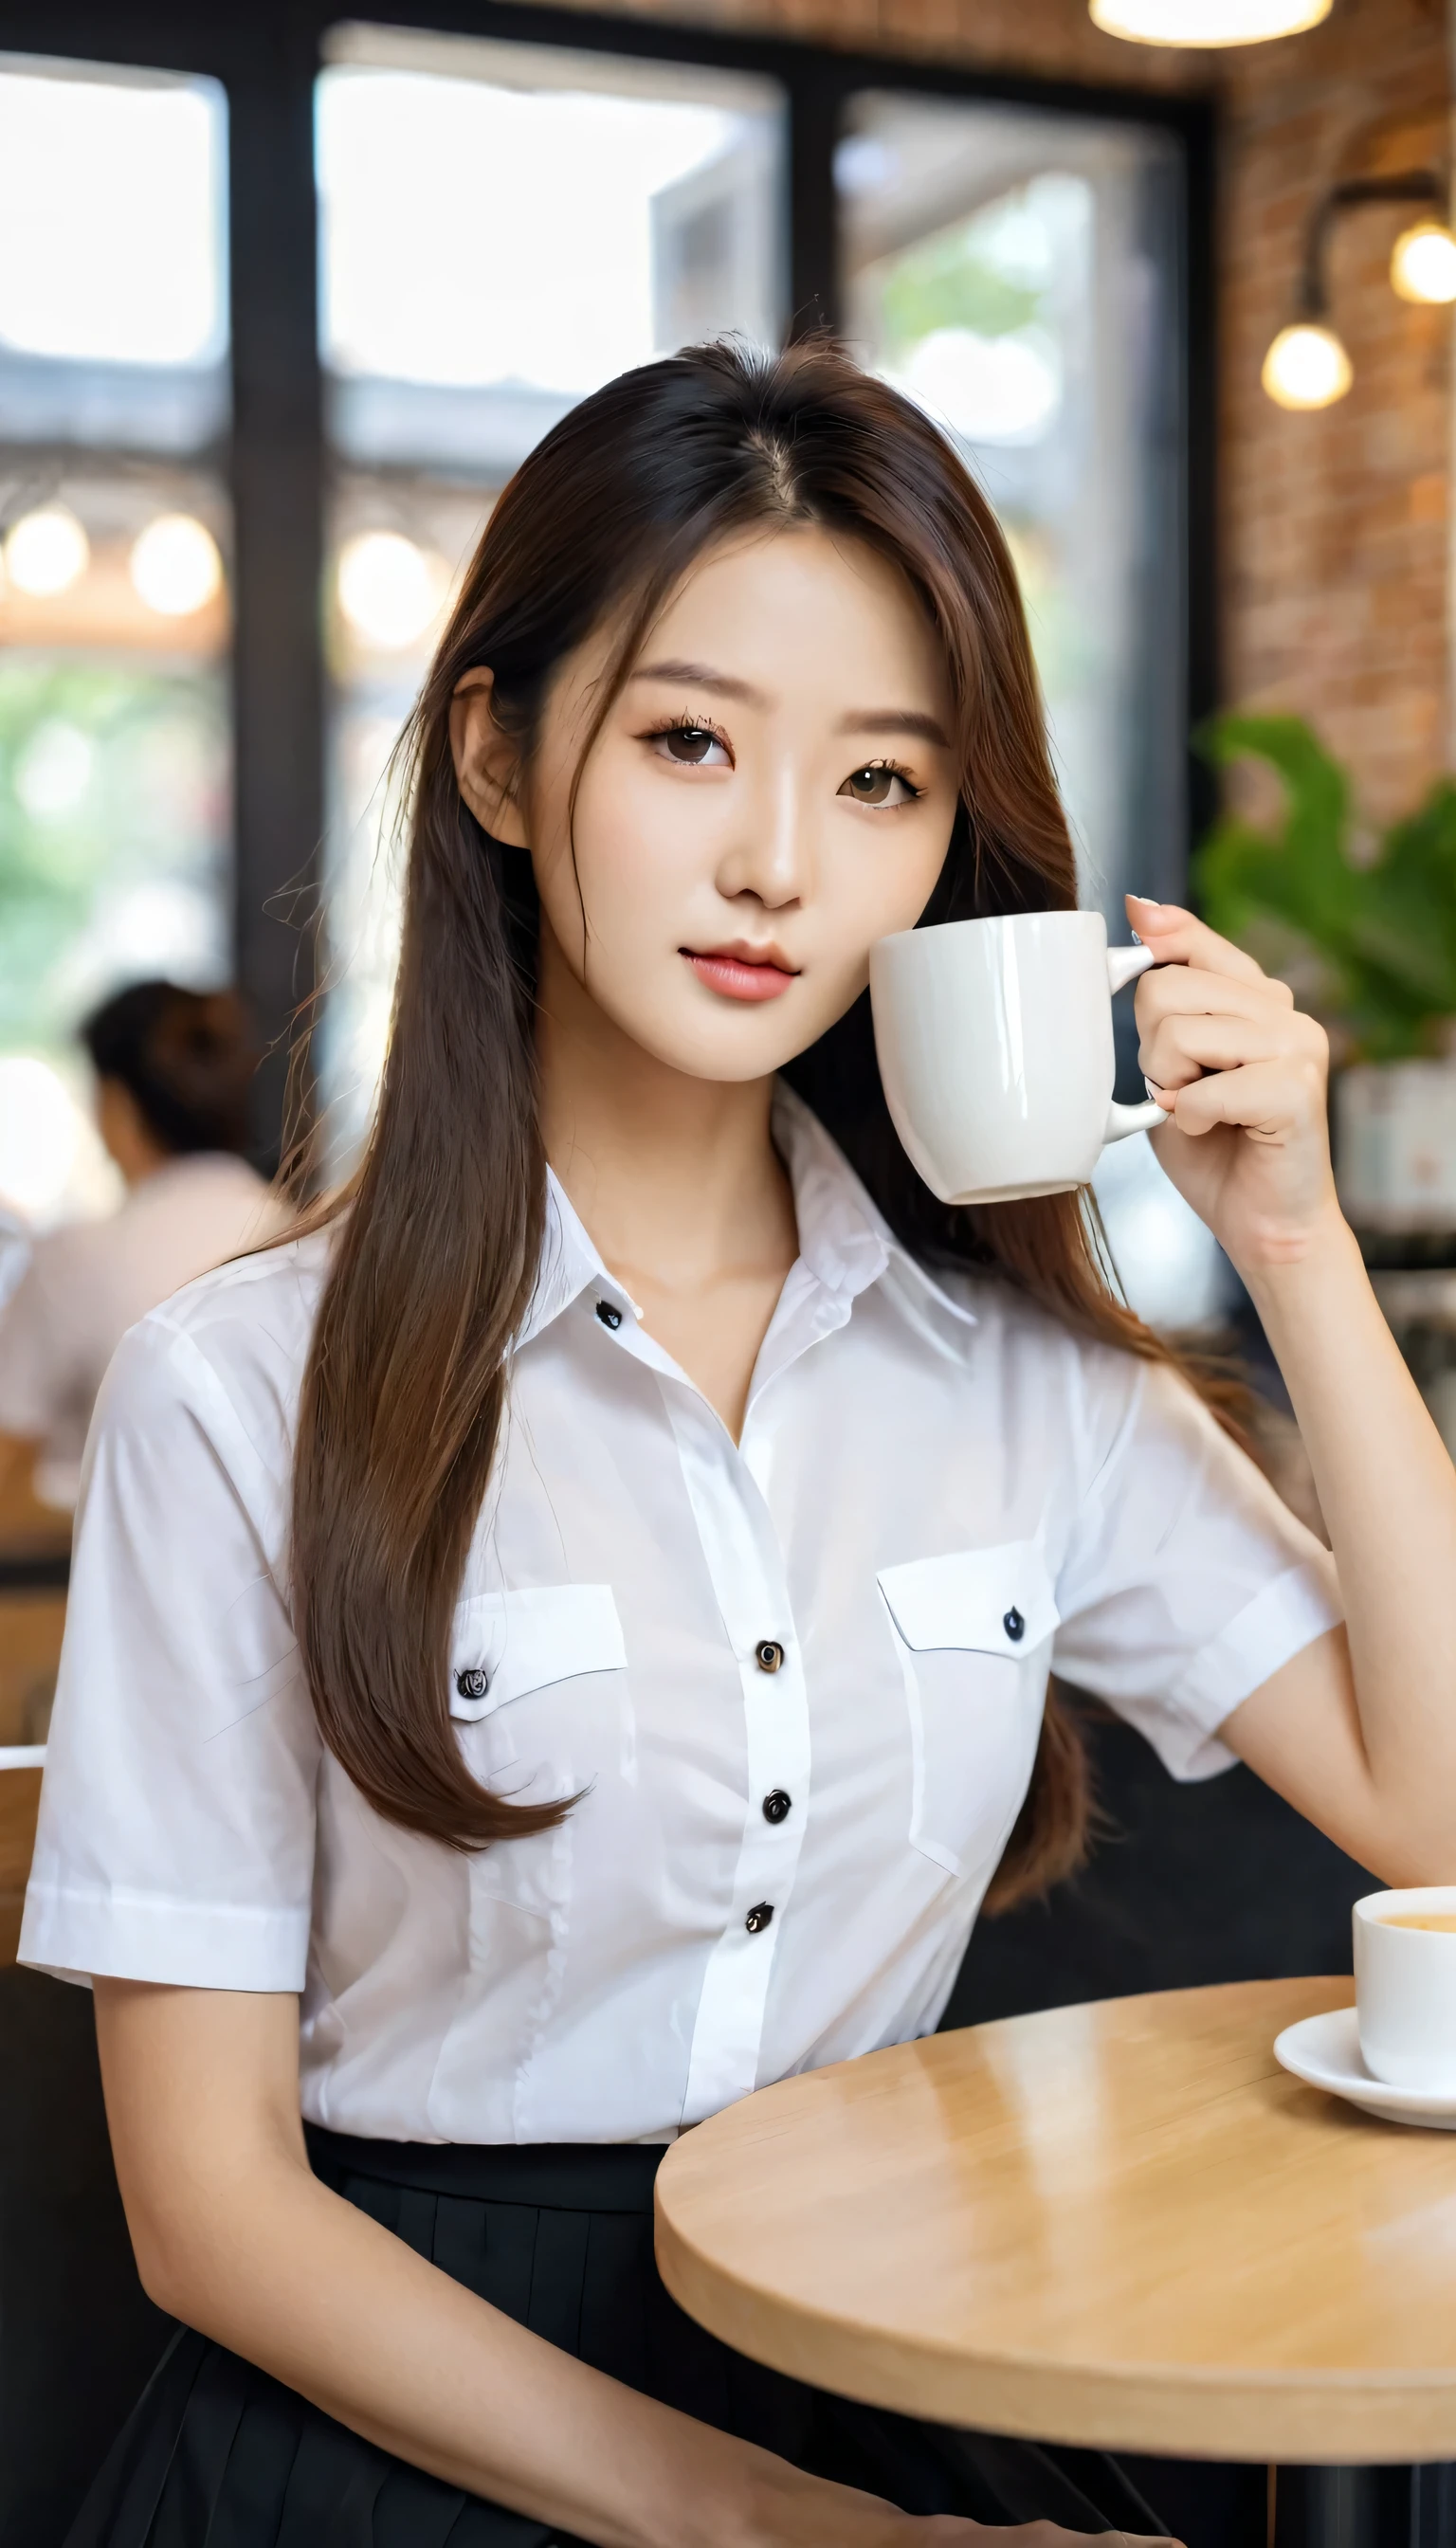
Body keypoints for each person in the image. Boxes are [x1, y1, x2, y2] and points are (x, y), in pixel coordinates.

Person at [20, 341, 1456, 2548]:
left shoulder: (1020, 1383)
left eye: (881, 785)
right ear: (498, 757)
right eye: (690, 740)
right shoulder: (242, 1390)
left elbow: (1433, 1806)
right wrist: (780, 2533)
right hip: (391, 2424)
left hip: (887, 2353)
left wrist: (1291, 1239)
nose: (778, 861)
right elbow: (212, 2215)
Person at [0, 981, 282, 1514]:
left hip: (94, 1579)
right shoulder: (299, 1233)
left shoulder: (82, 1257)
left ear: (117, 1108)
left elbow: (6, 1453)